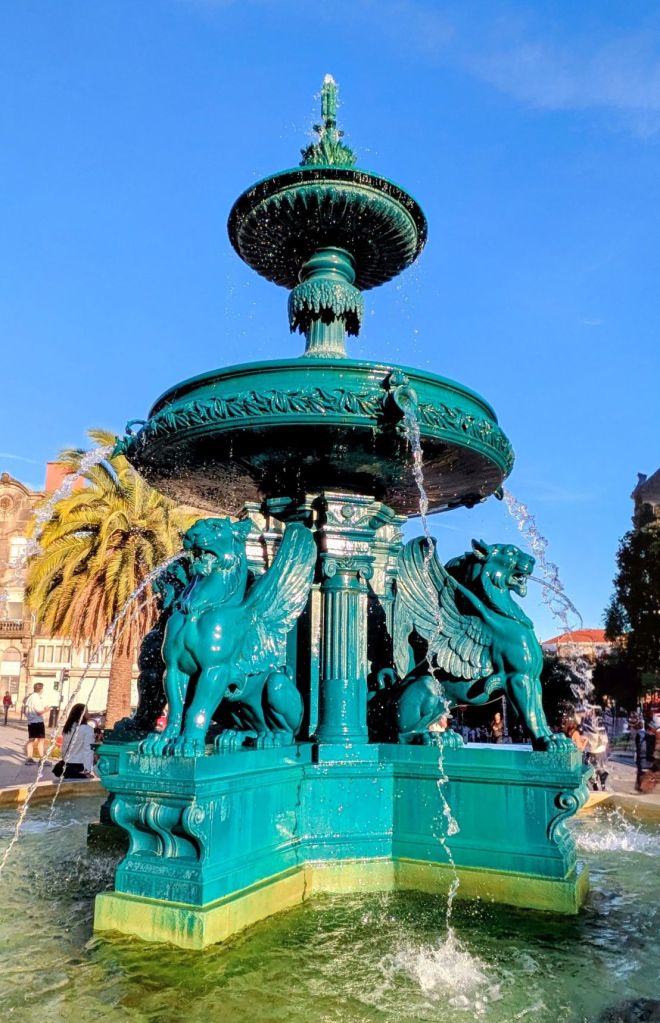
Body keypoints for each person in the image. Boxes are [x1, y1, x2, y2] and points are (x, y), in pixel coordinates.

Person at [54, 703, 95, 778]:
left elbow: (64, 747)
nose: (89, 714)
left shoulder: (67, 728)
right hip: (79, 765)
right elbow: (88, 750)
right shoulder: (88, 729)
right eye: (87, 711)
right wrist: (87, 770)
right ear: (82, 713)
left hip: (66, 764)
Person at [24, 683, 48, 764]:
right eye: (42, 689)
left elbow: (25, 710)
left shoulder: (30, 697)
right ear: (41, 689)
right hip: (37, 721)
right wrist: (47, 709)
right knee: (41, 740)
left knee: (31, 740)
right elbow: (39, 711)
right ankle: (42, 759)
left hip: (31, 722)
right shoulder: (36, 698)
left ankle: (29, 758)